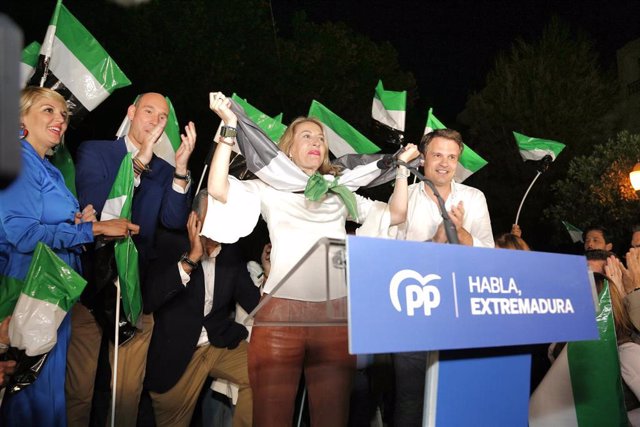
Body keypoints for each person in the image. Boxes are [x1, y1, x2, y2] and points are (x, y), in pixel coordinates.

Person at [206, 92, 419, 427]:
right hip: (279, 316)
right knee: (271, 418)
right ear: (289, 147)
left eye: (321, 138)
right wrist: (230, 128)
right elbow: (218, 189)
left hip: (334, 317)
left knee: (332, 418)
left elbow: (396, 213)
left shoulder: (340, 192)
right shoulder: (270, 188)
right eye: (307, 136)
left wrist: (403, 170)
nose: (317, 142)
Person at [0, 86, 138, 426]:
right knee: (28, 401)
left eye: (63, 114)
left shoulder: (50, 170)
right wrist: (96, 230)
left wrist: (78, 222)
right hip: (25, 291)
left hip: (53, 294)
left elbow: (51, 225)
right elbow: (23, 235)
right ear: (21, 119)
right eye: (48, 110)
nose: (60, 119)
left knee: (46, 396)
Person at [67, 92, 196, 426]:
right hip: (91, 288)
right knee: (78, 390)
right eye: (148, 111)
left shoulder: (166, 170)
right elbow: (96, 205)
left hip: (135, 290)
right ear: (132, 112)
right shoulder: (96, 151)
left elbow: (172, 219)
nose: (155, 120)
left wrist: (180, 170)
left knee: (124, 393)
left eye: (162, 116)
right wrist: (138, 162)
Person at [387, 128, 494, 426]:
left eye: (452, 157)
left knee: (458, 399)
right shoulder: (402, 196)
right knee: (410, 400)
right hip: (413, 315)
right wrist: (433, 244)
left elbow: (489, 253)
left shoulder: (474, 198)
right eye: (437, 155)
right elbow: (390, 257)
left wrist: (463, 235)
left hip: (461, 315)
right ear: (422, 159)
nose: (445, 163)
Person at [143, 190, 259, 427]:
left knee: (265, 371)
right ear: (194, 218)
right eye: (215, 213)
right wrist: (192, 258)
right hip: (177, 355)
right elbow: (150, 299)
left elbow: (255, 303)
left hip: (217, 343)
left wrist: (268, 272)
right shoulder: (169, 244)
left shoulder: (231, 252)